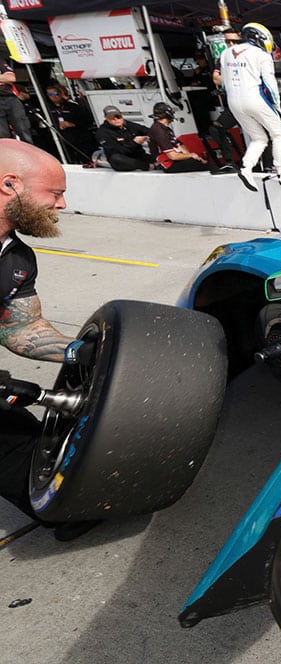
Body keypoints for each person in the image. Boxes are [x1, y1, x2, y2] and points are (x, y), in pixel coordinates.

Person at [0, 139, 98, 542]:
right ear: (11, 184)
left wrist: (84, 352)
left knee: (45, 482)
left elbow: (19, 328)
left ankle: (67, 513)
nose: (60, 205)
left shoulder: (16, 258)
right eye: (54, 193)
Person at [219, 22, 281, 191]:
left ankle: (246, 168)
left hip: (233, 101)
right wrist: (277, 107)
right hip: (255, 98)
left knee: (258, 138)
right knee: (278, 134)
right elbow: (270, 84)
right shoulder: (261, 55)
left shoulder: (226, 54)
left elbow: (223, 83)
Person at [146, 102, 209, 173]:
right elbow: (172, 156)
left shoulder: (165, 129)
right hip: (167, 163)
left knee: (200, 162)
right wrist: (192, 155)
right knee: (199, 165)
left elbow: (179, 145)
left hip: (174, 160)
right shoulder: (159, 131)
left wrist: (192, 156)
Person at [43, 84, 96, 164]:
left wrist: (71, 124)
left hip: (78, 138)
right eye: (50, 94)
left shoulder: (73, 106)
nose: (53, 96)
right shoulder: (47, 108)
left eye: (55, 94)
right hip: (61, 140)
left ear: (61, 94)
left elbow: (88, 121)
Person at [94, 105, 153, 171]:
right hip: (123, 158)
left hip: (138, 155)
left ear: (122, 115)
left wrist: (149, 136)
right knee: (116, 159)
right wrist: (134, 143)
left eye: (118, 116)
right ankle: (146, 166)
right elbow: (117, 151)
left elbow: (145, 130)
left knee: (155, 158)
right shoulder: (102, 132)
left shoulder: (128, 124)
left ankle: (152, 164)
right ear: (106, 118)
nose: (116, 119)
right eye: (111, 118)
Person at [0, 59, 33, 143]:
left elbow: (11, 78)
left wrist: (6, 79)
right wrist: (3, 78)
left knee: (23, 129)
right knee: (2, 135)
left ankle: (29, 152)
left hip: (10, 98)